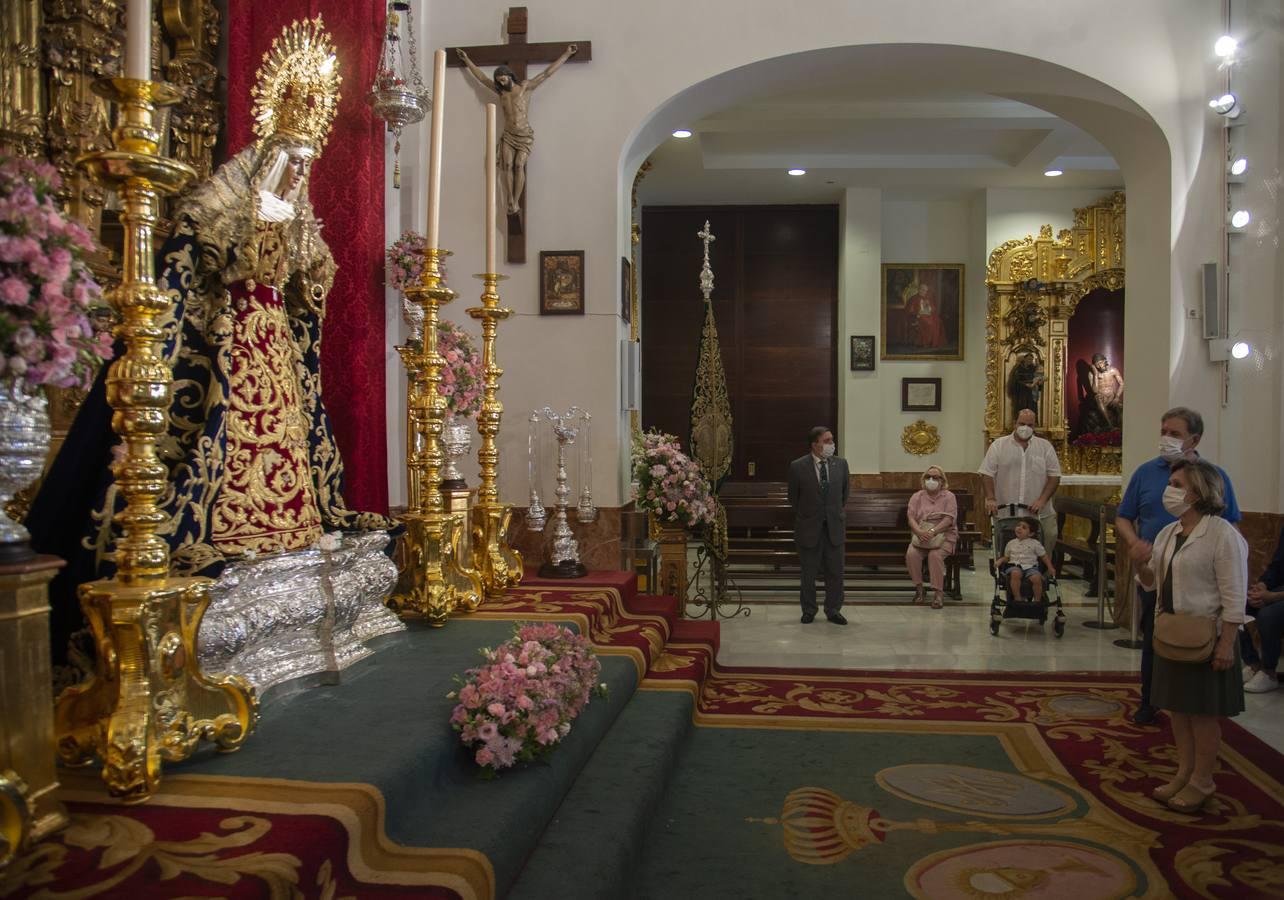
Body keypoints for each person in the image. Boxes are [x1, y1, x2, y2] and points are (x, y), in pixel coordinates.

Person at [27, 21, 389, 679]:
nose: (308, 127)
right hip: (240, 332)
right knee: (223, 435)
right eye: (300, 104)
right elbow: (226, 240)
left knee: (287, 441)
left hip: (270, 334)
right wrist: (270, 243)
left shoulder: (293, 167)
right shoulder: (261, 165)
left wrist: (302, 264)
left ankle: (286, 541)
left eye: (316, 109)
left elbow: (307, 263)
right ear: (281, 106)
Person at [1133, 459, 1246, 814]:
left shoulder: (1221, 534)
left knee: (1202, 714)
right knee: (1178, 712)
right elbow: (1152, 583)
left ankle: (1203, 781)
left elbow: (1234, 594)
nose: (1170, 489)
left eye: (1177, 483)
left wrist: (1226, 643)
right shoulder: (1169, 532)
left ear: (1198, 491)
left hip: (1207, 635)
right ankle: (1184, 773)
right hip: (1173, 631)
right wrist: (1139, 563)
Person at [1116, 407, 1241, 725]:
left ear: (1194, 439)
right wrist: (1136, 547)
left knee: (1196, 651)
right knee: (1156, 640)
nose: (1166, 439)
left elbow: (1231, 531)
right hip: (1160, 571)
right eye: (1164, 431)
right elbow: (1125, 516)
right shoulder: (1147, 475)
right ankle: (1152, 699)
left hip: (1202, 587)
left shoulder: (1215, 478)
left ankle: (1195, 710)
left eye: (1174, 434)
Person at [457, 45, 578, 215]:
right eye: (498, 79)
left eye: (502, 78)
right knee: (507, 165)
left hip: (524, 135)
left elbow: (546, 74)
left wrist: (566, 54)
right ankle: (510, 200)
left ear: (509, 75)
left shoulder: (525, 88)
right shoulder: (501, 94)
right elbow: (482, 79)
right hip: (508, 134)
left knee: (519, 164)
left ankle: (516, 199)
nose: (500, 81)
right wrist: (467, 60)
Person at [787, 426, 850, 625]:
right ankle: (808, 610)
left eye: (832, 440)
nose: (832, 444)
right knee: (808, 573)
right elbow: (793, 498)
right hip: (809, 527)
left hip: (834, 527)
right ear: (815, 444)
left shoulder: (841, 464)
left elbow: (844, 494)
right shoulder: (797, 466)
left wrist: (832, 513)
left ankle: (833, 610)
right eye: (827, 441)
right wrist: (810, 515)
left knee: (835, 572)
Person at [979, 408, 1062, 548]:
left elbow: (1054, 477)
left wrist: (1042, 500)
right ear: (1014, 424)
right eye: (1022, 424)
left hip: (1039, 513)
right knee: (1008, 552)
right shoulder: (998, 446)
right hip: (1007, 513)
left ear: (1034, 426)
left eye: (1030, 425)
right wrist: (991, 498)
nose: (1025, 428)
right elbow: (986, 473)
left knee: (1045, 546)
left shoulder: (1045, 447)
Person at [905, 465, 957, 609]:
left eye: (935, 477)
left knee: (935, 556)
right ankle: (920, 589)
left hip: (944, 535)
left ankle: (938, 593)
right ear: (924, 479)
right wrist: (920, 532)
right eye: (928, 477)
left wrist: (933, 531)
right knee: (911, 554)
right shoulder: (917, 496)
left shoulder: (949, 497)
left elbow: (948, 520)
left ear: (942, 481)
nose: (931, 479)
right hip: (921, 536)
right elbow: (911, 518)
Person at [1242, 525, 1284, 693]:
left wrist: (1272, 597)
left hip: (1279, 595)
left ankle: (1269, 672)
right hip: (1277, 590)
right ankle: (1253, 664)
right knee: (1238, 606)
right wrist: (1261, 586)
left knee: (1268, 615)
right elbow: (1277, 565)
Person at [996, 517, 1056, 603]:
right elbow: (1007, 557)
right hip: (1014, 566)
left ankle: (1037, 601)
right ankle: (1017, 598)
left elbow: (1044, 556)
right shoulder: (1011, 543)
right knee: (1015, 573)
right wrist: (1000, 560)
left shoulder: (1035, 543)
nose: (1019, 528)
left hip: (1031, 567)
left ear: (1031, 533)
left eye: (1024, 527)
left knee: (1037, 578)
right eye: (1018, 526)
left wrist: (1050, 567)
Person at [1087, 353, 1124, 429]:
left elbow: (1122, 384)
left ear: (1105, 361)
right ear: (1094, 366)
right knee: (1098, 398)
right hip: (1101, 398)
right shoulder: (1091, 374)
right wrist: (1095, 374)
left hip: (1112, 396)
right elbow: (1095, 391)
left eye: (1101, 363)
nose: (1099, 366)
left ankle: (1121, 428)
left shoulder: (1113, 370)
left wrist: (1117, 397)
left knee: (1120, 407)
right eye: (1097, 364)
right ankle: (1109, 425)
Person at [904, 282, 946, 349]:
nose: (924, 292)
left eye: (926, 290)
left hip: (928, 315)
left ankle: (933, 342)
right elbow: (909, 311)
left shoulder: (927, 298)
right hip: (918, 316)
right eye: (923, 290)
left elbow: (933, 308)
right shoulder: (913, 298)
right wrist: (918, 312)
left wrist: (930, 308)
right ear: (919, 289)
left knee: (938, 320)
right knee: (929, 323)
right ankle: (926, 342)